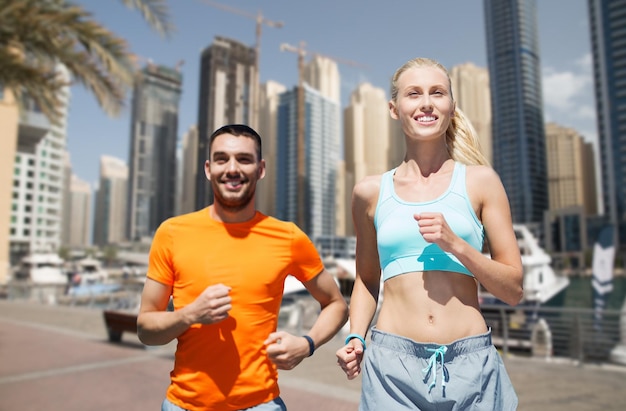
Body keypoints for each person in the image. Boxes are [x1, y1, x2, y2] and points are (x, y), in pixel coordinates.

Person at [335, 57, 523, 410]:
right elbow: (366, 278)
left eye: (437, 93)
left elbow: (513, 289)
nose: (426, 103)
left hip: (473, 368)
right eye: (413, 94)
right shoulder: (369, 192)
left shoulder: (482, 182)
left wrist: (457, 246)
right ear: (394, 108)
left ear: (451, 106)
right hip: (392, 369)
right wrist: (356, 335)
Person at [137, 124, 349, 411]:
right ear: (208, 168)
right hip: (183, 405)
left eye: (244, 159)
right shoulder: (172, 233)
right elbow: (146, 329)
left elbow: (336, 304)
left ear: (260, 169)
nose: (232, 168)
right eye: (222, 159)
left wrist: (306, 344)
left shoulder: (288, 237)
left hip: (261, 405)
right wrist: (189, 314)